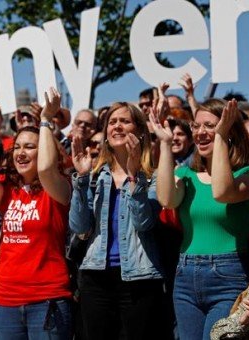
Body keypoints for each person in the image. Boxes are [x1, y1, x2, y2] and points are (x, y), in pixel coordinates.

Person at [152, 98, 249, 340]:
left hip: (229, 276)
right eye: (196, 126)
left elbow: (222, 191)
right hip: (185, 275)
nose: (200, 132)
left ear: (229, 130)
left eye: (210, 126)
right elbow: (166, 200)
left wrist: (222, 136)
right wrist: (164, 143)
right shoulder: (185, 175)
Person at [0, 88, 72, 339]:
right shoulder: (9, 193)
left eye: (30, 147)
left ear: (45, 150)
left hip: (47, 299)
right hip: (5, 301)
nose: (21, 153)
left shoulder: (58, 188)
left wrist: (45, 120)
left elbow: (46, 168)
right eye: (17, 147)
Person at [69, 101, 168, 339]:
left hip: (139, 278)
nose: (117, 126)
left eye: (125, 121)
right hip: (95, 276)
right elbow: (79, 226)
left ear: (140, 131)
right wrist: (81, 179)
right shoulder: (94, 176)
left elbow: (144, 222)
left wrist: (134, 177)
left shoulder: (152, 177)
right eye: (112, 122)